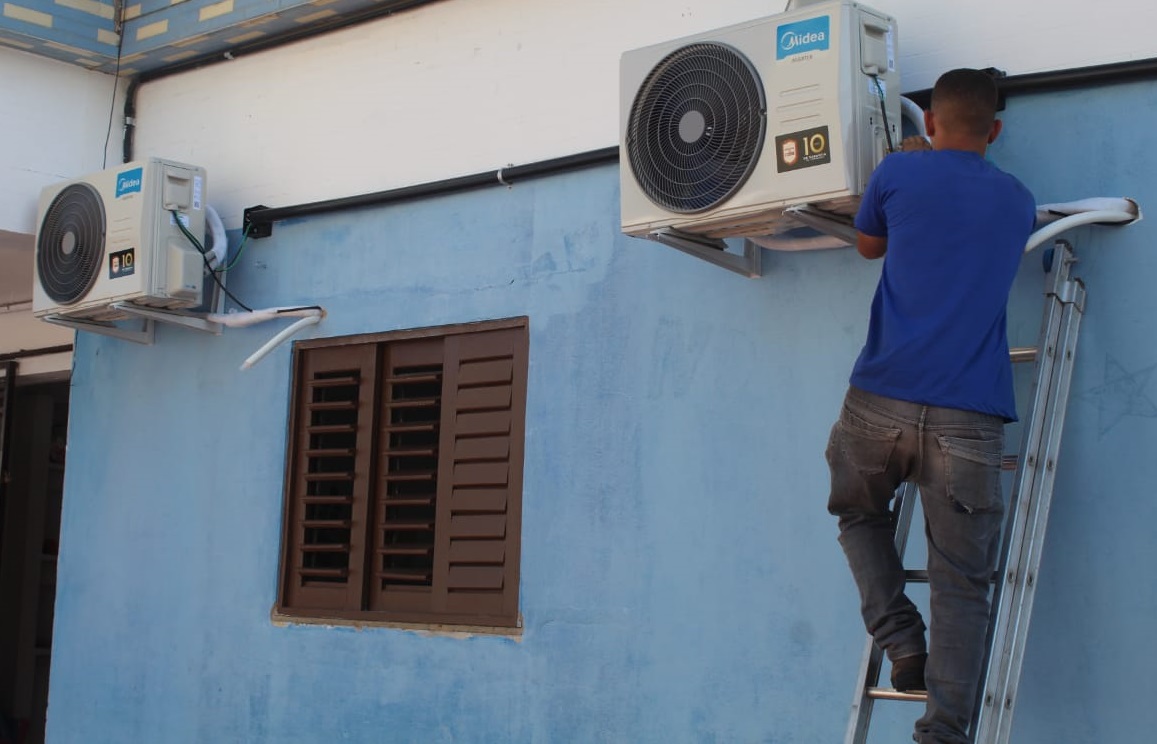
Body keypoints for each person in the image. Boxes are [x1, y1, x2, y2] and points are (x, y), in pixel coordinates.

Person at [825, 69, 1036, 744]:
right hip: (967, 418)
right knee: (962, 585)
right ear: (994, 131)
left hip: (877, 402)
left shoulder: (898, 174)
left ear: (931, 123)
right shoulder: (1016, 199)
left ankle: (900, 641)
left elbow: (868, 247)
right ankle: (942, 734)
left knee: (859, 513)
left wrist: (904, 165)